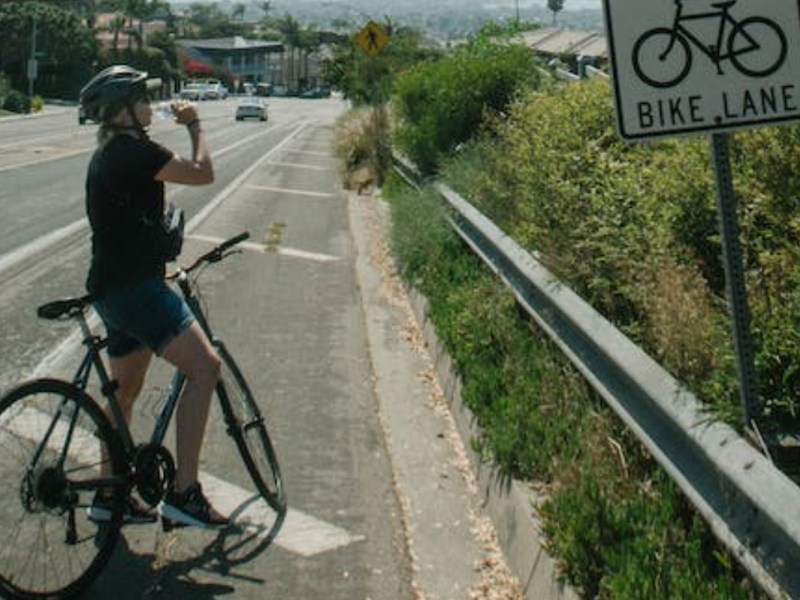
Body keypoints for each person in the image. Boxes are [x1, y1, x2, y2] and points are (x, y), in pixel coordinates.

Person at [79, 65, 227, 529]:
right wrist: (194, 124)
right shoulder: (136, 152)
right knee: (205, 368)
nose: (150, 102)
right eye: (142, 95)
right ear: (124, 109)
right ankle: (185, 493)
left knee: (124, 395)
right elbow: (203, 173)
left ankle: (108, 496)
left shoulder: (109, 153)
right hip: (137, 290)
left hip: (109, 288)